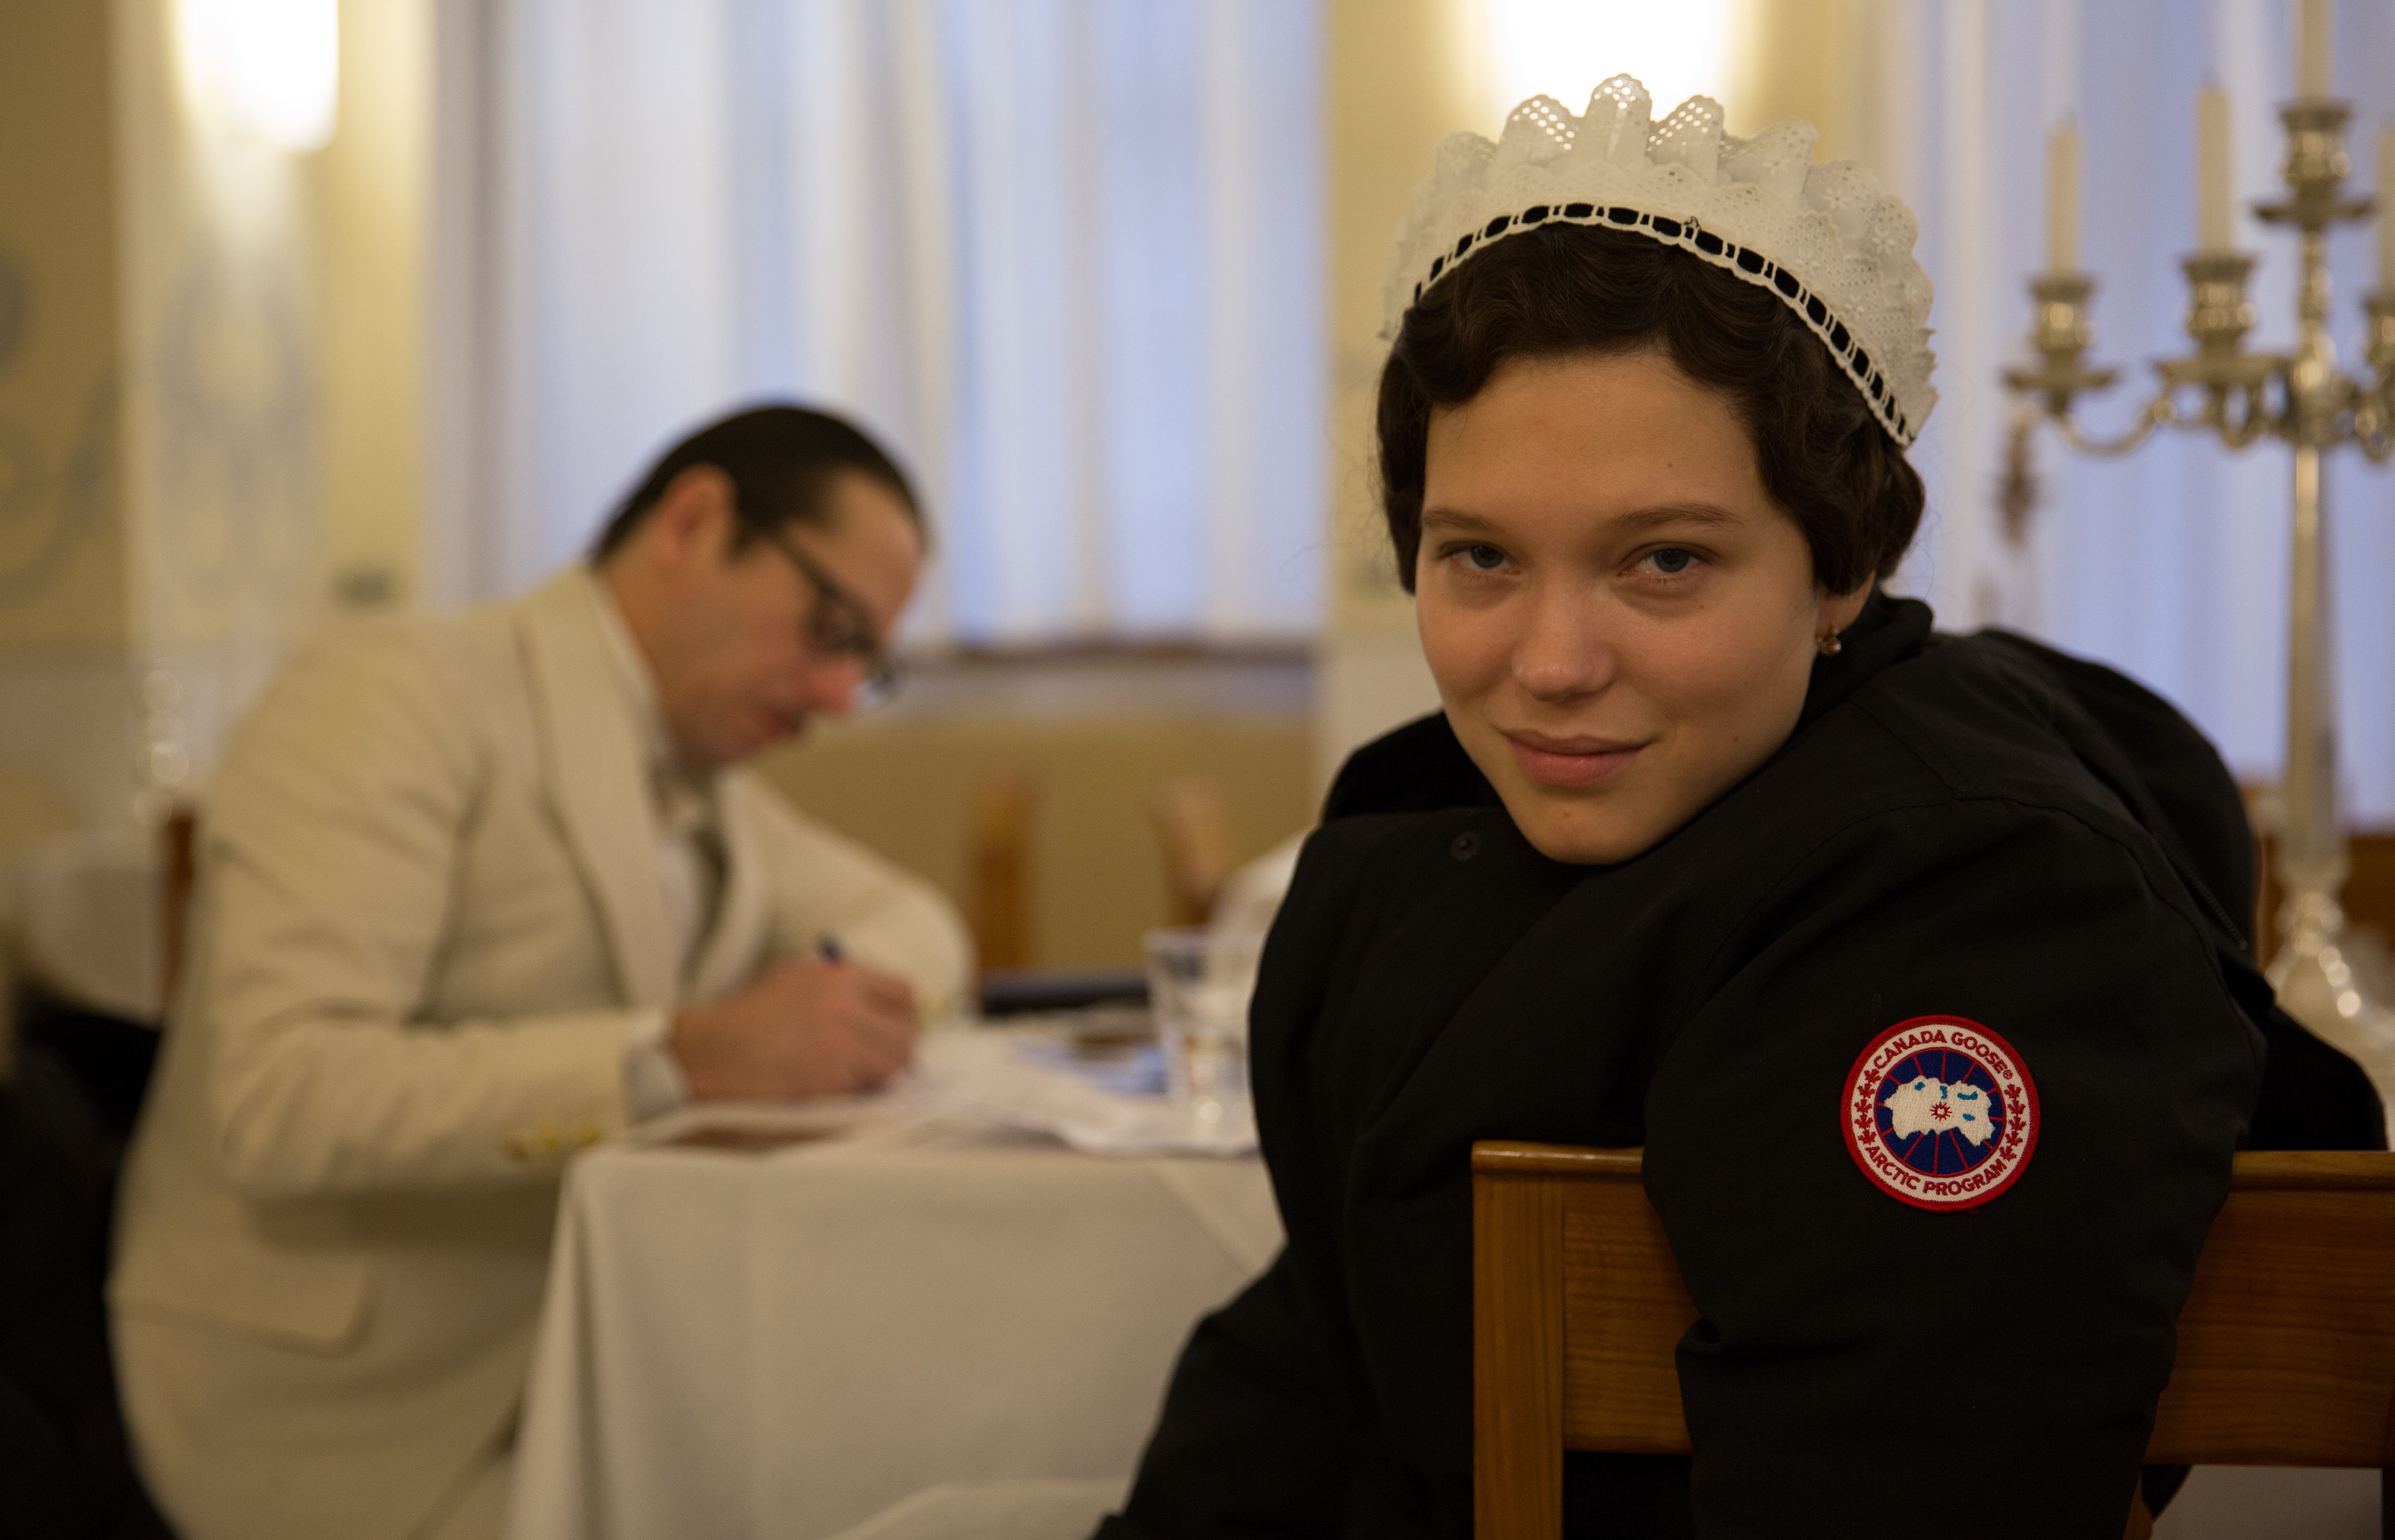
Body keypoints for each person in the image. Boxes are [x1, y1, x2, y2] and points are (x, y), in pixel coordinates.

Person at [1097, 79, 2383, 1540]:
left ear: (1844, 566)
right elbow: (1328, 1337)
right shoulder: (1571, 792)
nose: (1553, 666)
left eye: (1665, 563)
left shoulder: (1977, 904)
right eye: (1480, 558)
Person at [109, 405, 972, 1540]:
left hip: (573, 1360)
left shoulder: (703, 778)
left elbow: (920, 925)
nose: (832, 697)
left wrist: (827, 1006)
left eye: (866, 660)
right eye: (827, 627)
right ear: (695, 521)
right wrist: (684, 1058)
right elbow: (283, 1098)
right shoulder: (396, 695)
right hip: (348, 1409)